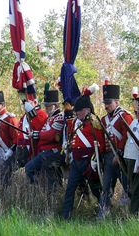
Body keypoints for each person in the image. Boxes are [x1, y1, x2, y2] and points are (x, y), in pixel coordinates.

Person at [61, 86, 104, 220]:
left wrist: (95, 160)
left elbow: (100, 145)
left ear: (88, 110)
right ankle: (65, 216)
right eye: (76, 110)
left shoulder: (95, 124)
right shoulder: (75, 123)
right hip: (77, 161)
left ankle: (104, 210)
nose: (77, 113)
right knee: (70, 189)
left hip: (89, 161)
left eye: (79, 110)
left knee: (96, 189)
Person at [98, 82, 133, 219]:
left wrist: (119, 153)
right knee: (106, 188)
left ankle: (131, 213)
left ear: (116, 102)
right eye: (105, 103)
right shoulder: (103, 120)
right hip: (108, 157)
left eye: (109, 103)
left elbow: (127, 136)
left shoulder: (125, 116)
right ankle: (103, 215)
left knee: (127, 186)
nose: (106, 106)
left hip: (122, 156)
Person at [1, 93, 46, 185]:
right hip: (20, 150)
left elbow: (39, 127)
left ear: (35, 102)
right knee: (5, 168)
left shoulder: (40, 114)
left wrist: (32, 112)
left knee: (32, 172)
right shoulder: (24, 117)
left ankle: (34, 192)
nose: (25, 106)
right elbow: (19, 137)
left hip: (31, 150)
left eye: (28, 103)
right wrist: (11, 150)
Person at [25, 86, 64, 189]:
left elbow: (50, 135)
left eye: (49, 106)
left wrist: (35, 134)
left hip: (53, 151)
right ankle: (39, 191)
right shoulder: (49, 119)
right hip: (44, 151)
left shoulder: (59, 118)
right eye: (45, 106)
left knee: (35, 168)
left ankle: (52, 193)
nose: (46, 108)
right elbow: (42, 129)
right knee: (29, 168)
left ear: (56, 106)